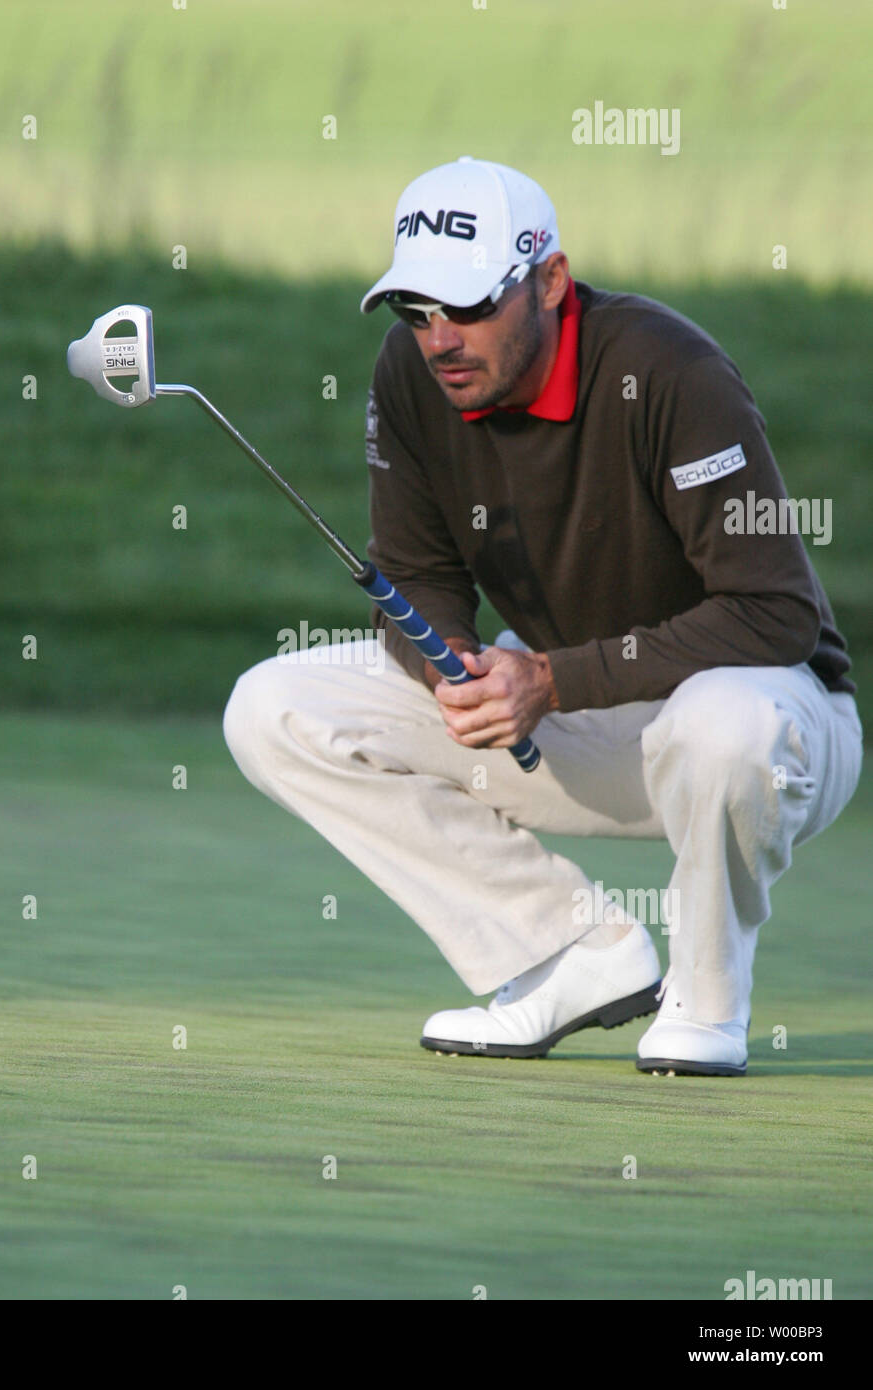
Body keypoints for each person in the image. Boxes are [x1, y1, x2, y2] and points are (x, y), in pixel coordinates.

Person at [222, 156, 862, 1076]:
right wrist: (452, 666)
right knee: (274, 707)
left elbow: (774, 616)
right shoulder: (412, 374)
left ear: (549, 281)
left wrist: (551, 680)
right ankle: (570, 954)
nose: (440, 339)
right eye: (417, 310)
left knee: (721, 723)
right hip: (570, 711)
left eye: (469, 307)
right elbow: (415, 572)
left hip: (777, 726)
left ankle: (706, 1002)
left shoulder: (668, 370)